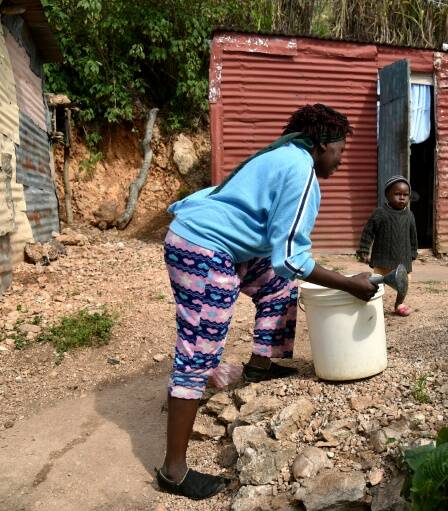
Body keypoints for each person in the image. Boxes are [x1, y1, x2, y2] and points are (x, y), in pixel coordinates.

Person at [157, 104, 377, 500]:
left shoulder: (283, 154)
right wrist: (349, 284)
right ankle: (173, 471)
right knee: (200, 347)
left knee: (277, 286)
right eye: (340, 151)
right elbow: (292, 257)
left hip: (215, 242)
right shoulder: (302, 171)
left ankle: (260, 365)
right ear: (322, 144)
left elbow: (280, 261)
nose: (341, 160)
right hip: (204, 248)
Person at [356, 175, 417, 316]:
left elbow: (413, 236)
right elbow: (368, 232)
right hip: (382, 258)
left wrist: (413, 252)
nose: (402, 197)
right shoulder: (380, 213)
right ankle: (374, 303)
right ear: (387, 195)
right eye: (397, 194)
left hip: (403, 258)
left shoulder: (409, 215)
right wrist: (364, 250)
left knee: (404, 283)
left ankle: (399, 304)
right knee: (377, 282)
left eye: (405, 195)